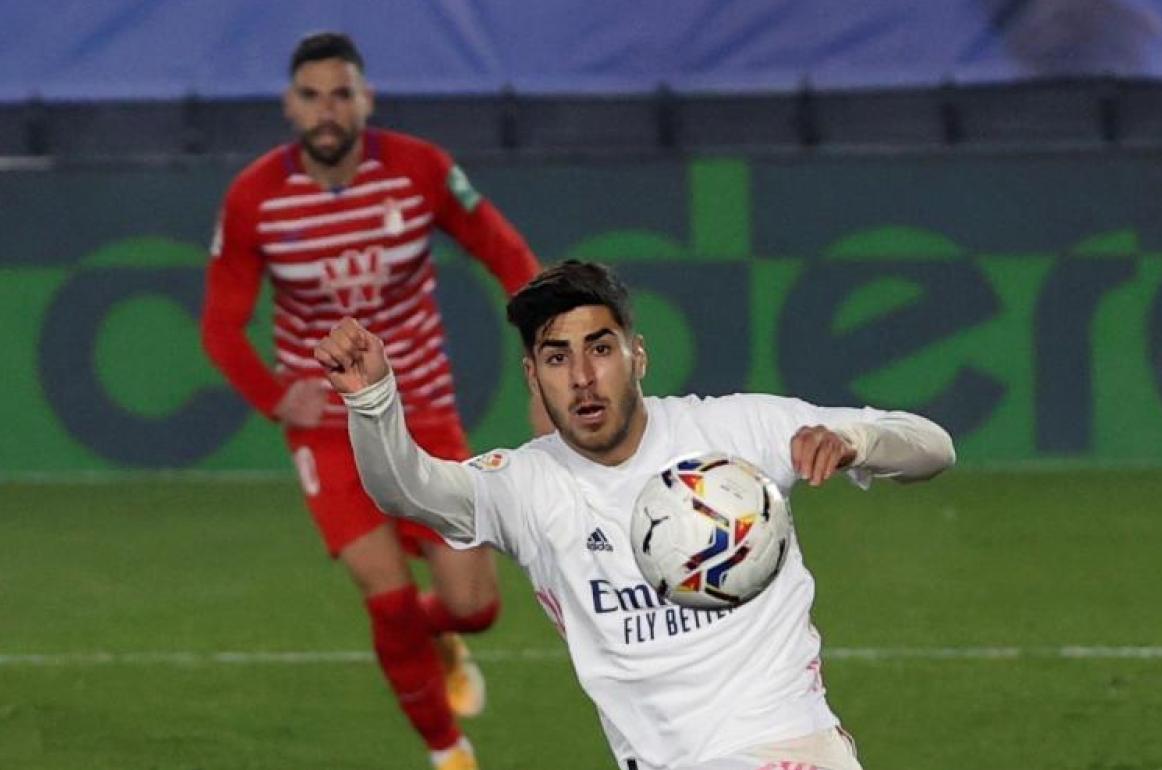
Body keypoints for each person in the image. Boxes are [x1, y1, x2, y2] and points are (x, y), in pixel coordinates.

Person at [312, 260, 956, 770]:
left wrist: (858, 443)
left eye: (601, 349)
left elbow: (933, 446)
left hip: (784, 750)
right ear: (532, 377)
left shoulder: (738, 430)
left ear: (637, 356)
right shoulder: (528, 486)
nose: (583, 378)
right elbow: (409, 490)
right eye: (558, 357)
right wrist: (373, 400)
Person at [200, 31, 540, 770]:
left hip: (423, 410)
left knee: (474, 606)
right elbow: (220, 326)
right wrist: (272, 397)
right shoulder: (255, 197)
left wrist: (551, 333)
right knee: (384, 598)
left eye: (342, 94)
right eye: (313, 96)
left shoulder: (420, 170)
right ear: (291, 107)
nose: (329, 111)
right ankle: (448, 751)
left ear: (366, 100)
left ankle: (440, 636)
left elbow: (504, 251)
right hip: (329, 428)